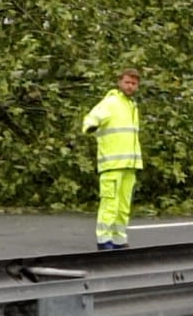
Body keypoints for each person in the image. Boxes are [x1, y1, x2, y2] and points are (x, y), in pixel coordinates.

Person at [82, 68, 142, 250]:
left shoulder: (132, 106)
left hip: (129, 164)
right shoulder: (111, 102)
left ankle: (119, 239)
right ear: (119, 82)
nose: (130, 86)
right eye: (127, 82)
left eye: (133, 83)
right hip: (112, 164)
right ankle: (104, 240)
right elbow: (90, 119)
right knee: (110, 204)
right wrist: (91, 126)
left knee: (123, 206)